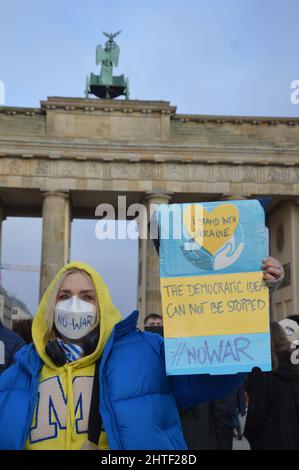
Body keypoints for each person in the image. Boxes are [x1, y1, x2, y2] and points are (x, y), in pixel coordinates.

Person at [0, 261, 246, 450]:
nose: (74, 305)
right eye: (64, 296)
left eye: (87, 297)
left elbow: (218, 375)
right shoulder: (16, 375)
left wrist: (244, 300)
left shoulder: (147, 355)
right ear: (50, 306)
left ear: (103, 306)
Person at [244, 322, 299, 450]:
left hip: (267, 440)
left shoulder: (261, 369)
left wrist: (250, 434)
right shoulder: (295, 365)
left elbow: (257, 411)